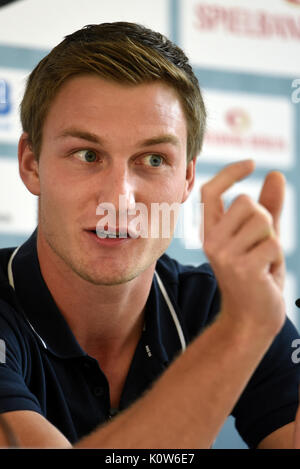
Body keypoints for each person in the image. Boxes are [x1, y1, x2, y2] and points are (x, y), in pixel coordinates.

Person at [0, 21, 299, 449]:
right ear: (31, 164)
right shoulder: (238, 320)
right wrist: (240, 335)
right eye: (88, 155)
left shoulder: (215, 305)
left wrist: (243, 327)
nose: (120, 198)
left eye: (154, 160)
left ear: (187, 179)